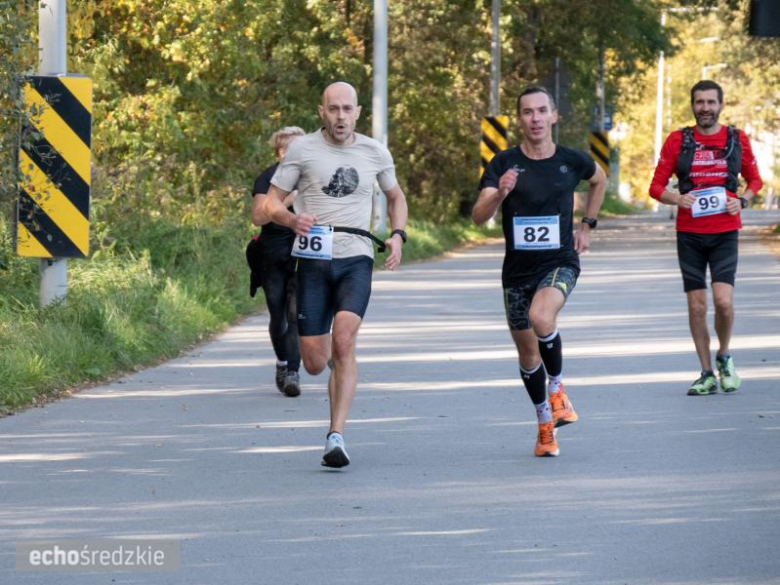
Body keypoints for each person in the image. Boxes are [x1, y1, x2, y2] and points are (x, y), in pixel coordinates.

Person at [264, 82, 409, 468]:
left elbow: (395, 196)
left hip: (356, 258)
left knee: (344, 340)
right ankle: (338, 365)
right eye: (333, 109)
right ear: (321, 111)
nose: (340, 116)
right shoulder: (302, 149)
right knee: (314, 362)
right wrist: (291, 220)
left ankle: (336, 435)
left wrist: (397, 235)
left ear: (358, 112)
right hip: (313, 261)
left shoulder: (375, 152)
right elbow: (270, 203)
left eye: (347, 109)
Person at [472, 86, 606, 457]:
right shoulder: (503, 162)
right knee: (528, 356)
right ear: (520, 119)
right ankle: (545, 425)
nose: (535, 118)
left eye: (542, 111)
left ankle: (558, 388)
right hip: (517, 272)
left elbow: (599, 179)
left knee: (541, 316)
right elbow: (479, 216)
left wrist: (587, 225)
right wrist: (499, 193)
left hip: (559, 261)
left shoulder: (571, 160)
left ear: (554, 116)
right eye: (528, 112)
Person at [649, 80, 763, 396]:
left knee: (723, 302)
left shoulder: (736, 139)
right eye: (700, 102)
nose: (705, 108)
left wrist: (742, 201)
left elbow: (755, 181)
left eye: (711, 102)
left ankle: (724, 355)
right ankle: (706, 372)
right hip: (690, 235)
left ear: (721, 105)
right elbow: (655, 187)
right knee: (697, 306)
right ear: (693, 105)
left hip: (725, 232)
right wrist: (677, 198)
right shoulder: (678, 140)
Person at [250, 126, 306, 397]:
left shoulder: (313, 176)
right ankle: (282, 363)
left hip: (305, 249)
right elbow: (258, 217)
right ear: (282, 152)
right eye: (297, 148)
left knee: (295, 312)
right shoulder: (268, 178)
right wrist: (289, 198)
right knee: (278, 314)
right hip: (273, 250)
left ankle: (293, 372)